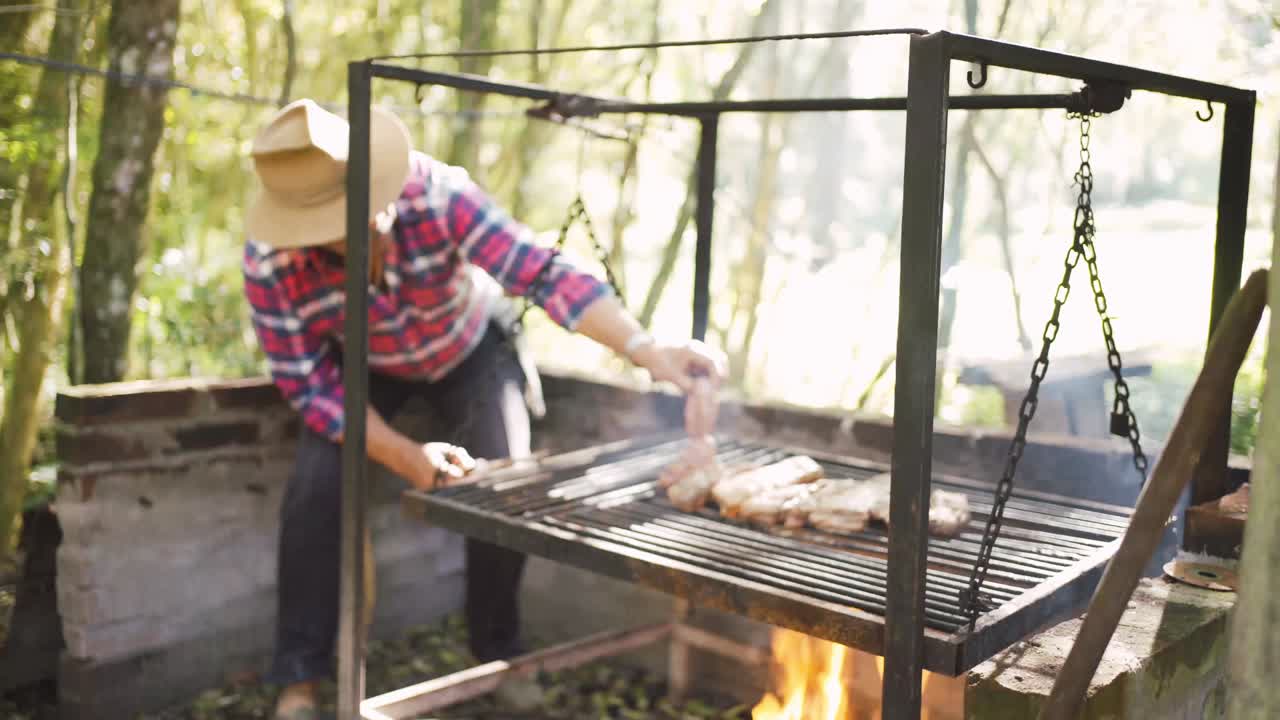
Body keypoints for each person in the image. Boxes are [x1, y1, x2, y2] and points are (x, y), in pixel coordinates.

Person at [243, 99, 725, 720]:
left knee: (505, 476)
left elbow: (541, 271)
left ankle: (498, 652)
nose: (377, 216)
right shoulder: (271, 264)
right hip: (366, 368)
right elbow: (310, 387)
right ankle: (301, 678)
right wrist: (403, 454)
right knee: (314, 489)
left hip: (469, 344)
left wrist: (642, 346)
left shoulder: (439, 195)